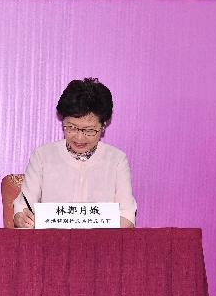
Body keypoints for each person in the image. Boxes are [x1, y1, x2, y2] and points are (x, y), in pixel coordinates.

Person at [13, 77, 137, 228]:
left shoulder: (116, 160)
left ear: (103, 126)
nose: (79, 137)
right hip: (52, 241)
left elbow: (127, 215)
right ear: (63, 121)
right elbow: (22, 207)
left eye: (89, 130)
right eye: (71, 127)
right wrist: (21, 218)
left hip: (101, 242)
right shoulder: (42, 156)